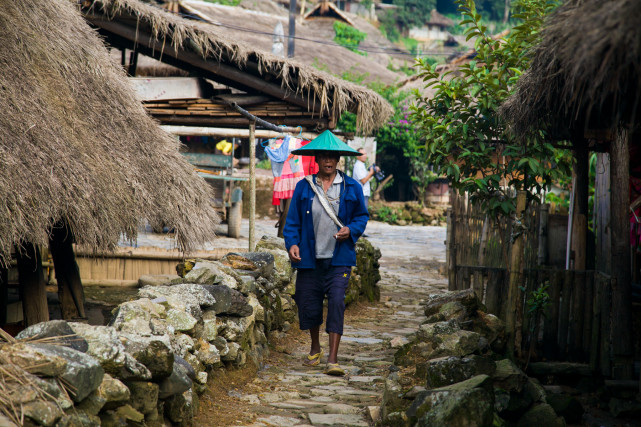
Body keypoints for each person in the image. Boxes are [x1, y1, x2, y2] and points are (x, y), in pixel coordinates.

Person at [283, 130, 369, 376]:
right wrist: (292, 244)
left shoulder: (351, 187)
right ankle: (314, 347)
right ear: (316, 160)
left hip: (339, 259)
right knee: (308, 303)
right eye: (323, 156)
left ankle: (333, 358)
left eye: (333, 156)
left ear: (339, 159)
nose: (328, 161)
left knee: (336, 302)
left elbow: (362, 217)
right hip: (310, 259)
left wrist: (350, 230)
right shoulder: (304, 187)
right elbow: (292, 223)